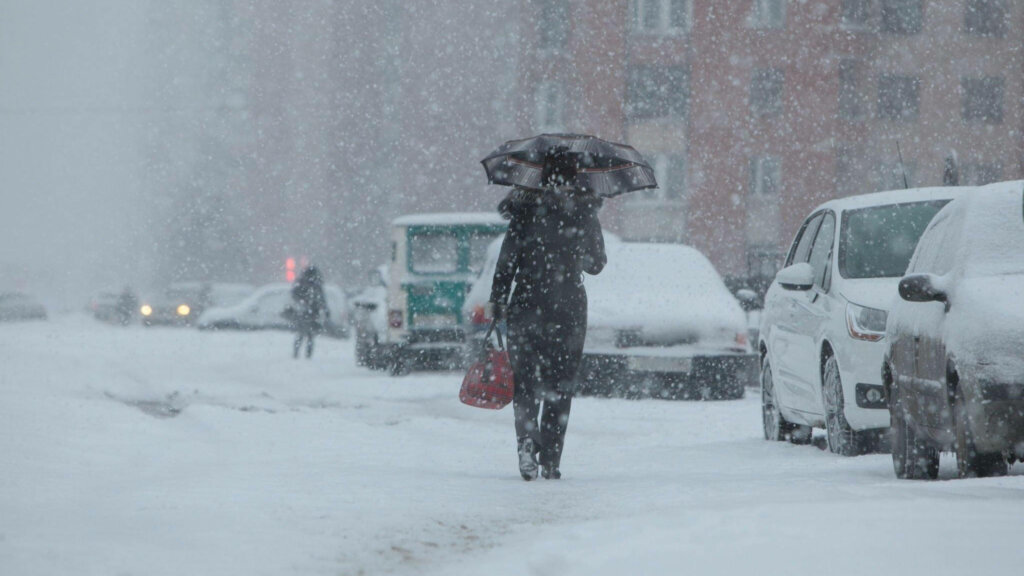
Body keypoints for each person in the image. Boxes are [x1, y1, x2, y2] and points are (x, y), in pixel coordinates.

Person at [488, 149, 606, 481]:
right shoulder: (584, 212)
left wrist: (497, 302)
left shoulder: (524, 211)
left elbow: (506, 263)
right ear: (576, 175)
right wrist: (573, 255)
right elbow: (597, 264)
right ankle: (551, 460)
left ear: (542, 174)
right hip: (568, 304)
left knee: (524, 382)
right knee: (560, 383)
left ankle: (527, 442)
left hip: (527, 302)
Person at [290, 266, 329, 359]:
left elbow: (294, 294)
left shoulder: (302, 283)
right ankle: (307, 354)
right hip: (311, 312)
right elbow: (321, 299)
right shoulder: (316, 284)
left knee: (302, 334)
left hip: (305, 312)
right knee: (309, 335)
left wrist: (302, 302)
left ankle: (298, 353)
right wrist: (324, 309)